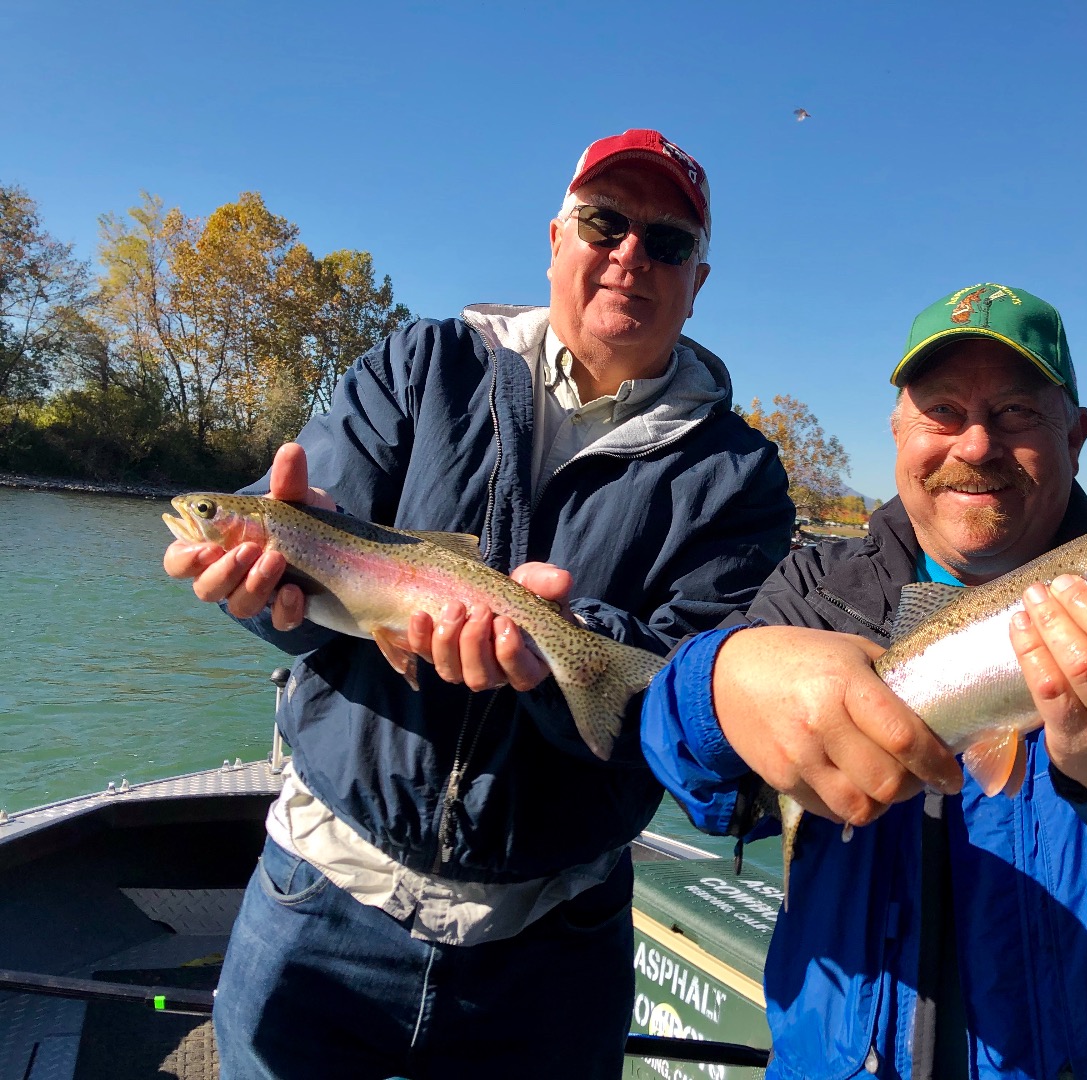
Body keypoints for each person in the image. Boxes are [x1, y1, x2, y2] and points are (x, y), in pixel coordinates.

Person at [163, 129, 794, 1079]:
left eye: (667, 243)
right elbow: (296, 594)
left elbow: (689, 697)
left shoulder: (740, 479)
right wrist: (258, 590)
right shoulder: (420, 363)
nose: (630, 255)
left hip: (553, 950)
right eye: (604, 222)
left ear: (697, 281)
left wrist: (565, 651)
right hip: (317, 895)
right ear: (555, 238)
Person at [642, 282, 1087, 1079]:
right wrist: (716, 682)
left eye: (1015, 414)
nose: (976, 445)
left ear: (1075, 437)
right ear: (898, 433)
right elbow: (693, 774)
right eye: (942, 412)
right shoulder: (813, 591)